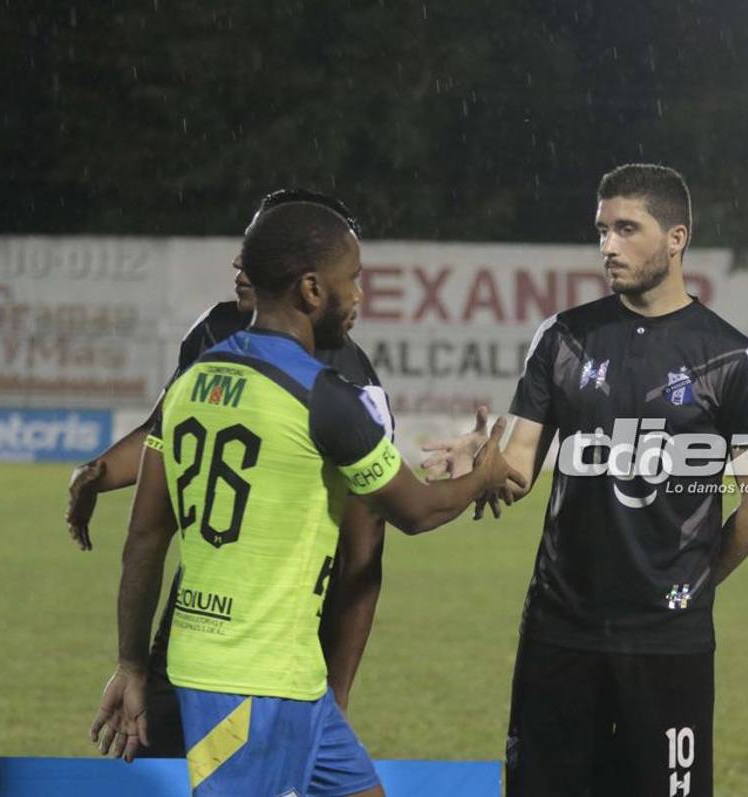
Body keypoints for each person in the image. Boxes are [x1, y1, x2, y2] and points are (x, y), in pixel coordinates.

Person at [90, 201, 524, 796]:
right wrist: (485, 472)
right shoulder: (324, 397)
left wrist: (134, 664)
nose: (361, 296)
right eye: (355, 279)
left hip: (284, 675)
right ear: (314, 289)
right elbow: (416, 512)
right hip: (251, 682)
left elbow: (144, 537)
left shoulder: (192, 381)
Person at [425, 164, 748, 796]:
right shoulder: (564, 337)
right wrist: (481, 467)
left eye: (626, 229)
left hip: (653, 641)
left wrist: (688, 589)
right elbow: (517, 473)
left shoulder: (731, 357)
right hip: (562, 630)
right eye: (601, 230)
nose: (608, 246)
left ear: (677, 238)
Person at [68, 189, 390, 757]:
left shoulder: (348, 377)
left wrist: (338, 693)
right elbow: (162, 432)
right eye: (244, 247)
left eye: (255, 249)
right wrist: (99, 471)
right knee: (164, 762)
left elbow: (365, 557)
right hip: (193, 628)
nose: (240, 264)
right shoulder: (214, 332)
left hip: (284, 640)